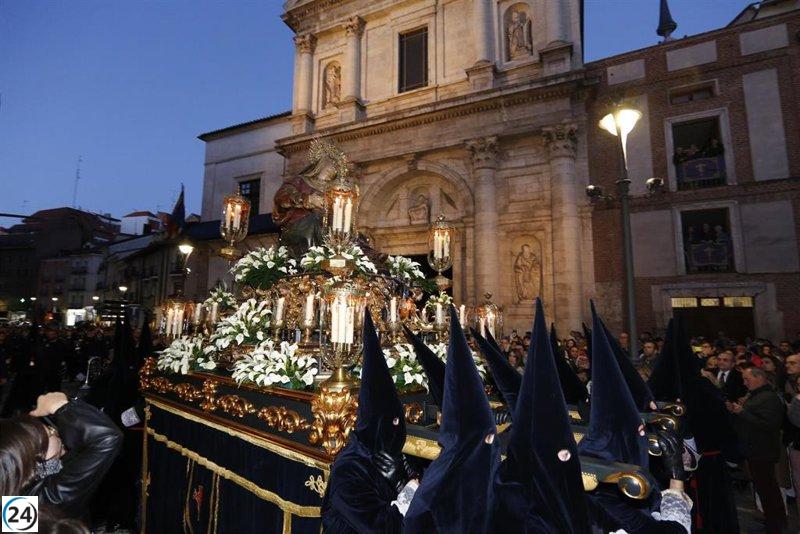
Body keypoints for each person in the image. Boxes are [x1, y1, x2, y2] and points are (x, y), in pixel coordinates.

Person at [321, 312, 417, 533]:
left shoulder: (390, 454)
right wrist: (406, 489)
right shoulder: (349, 470)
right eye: (392, 422)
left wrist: (403, 479)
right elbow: (383, 528)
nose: (397, 431)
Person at [0, 392, 122, 519]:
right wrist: (61, 407)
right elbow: (107, 438)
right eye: (51, 431)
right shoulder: (42, 502)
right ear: (38, 454)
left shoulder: (14, 494)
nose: (57, 434)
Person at [726, 367, 787, 534]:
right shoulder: (757, 395)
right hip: (755, 449)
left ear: (759, 377)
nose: (745, 383)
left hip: (763, 450)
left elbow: (768, 424)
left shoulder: (769, 398)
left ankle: (775, 525)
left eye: (747, 379)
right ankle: (773, 519)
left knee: (768, 489)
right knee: (765, 488)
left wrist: (742, 412)